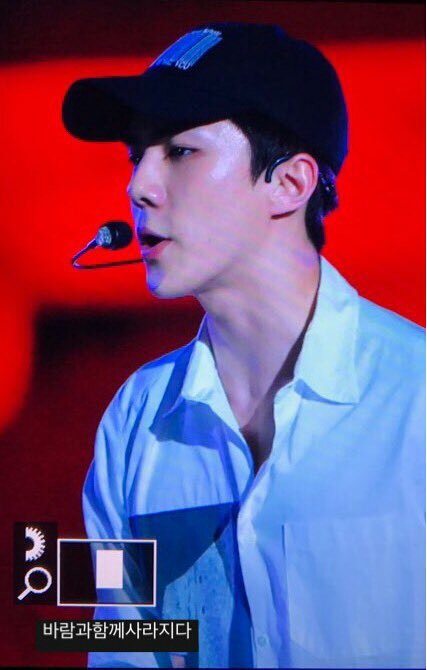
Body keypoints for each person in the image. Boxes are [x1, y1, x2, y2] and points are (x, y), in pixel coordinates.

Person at [62, 22, 425, 669]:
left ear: (290, 183)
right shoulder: (134, 420)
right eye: (136, 155)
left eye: (180, 151)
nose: (139, 186)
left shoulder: (414, 397)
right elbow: (122, 647)